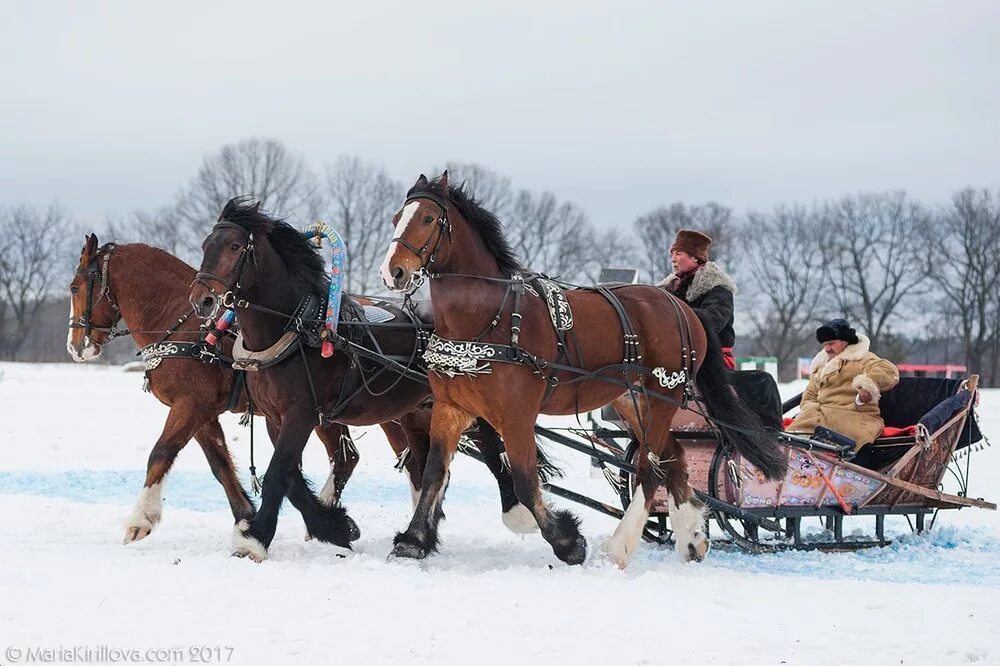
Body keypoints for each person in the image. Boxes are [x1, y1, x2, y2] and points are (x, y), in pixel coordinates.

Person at [787, 318, 900, 450]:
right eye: (825, 344)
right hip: (816, 421)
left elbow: (889, 370)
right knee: (786, 444)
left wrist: (868, 385)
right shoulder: (821, 365)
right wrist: (810, 409)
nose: (827, 349)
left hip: (852, 419)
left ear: (845, 342)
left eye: (831, 344)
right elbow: (810, 395)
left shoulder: (862, 358)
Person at [657, 229, 737, 369]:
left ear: (695, 257)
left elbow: (713, 319)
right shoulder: (667, 288)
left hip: (712, 359)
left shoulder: (718, 287)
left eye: (679, 253)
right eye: (672, 253)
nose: (673, 259)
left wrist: (673, 315)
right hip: (675, 354)